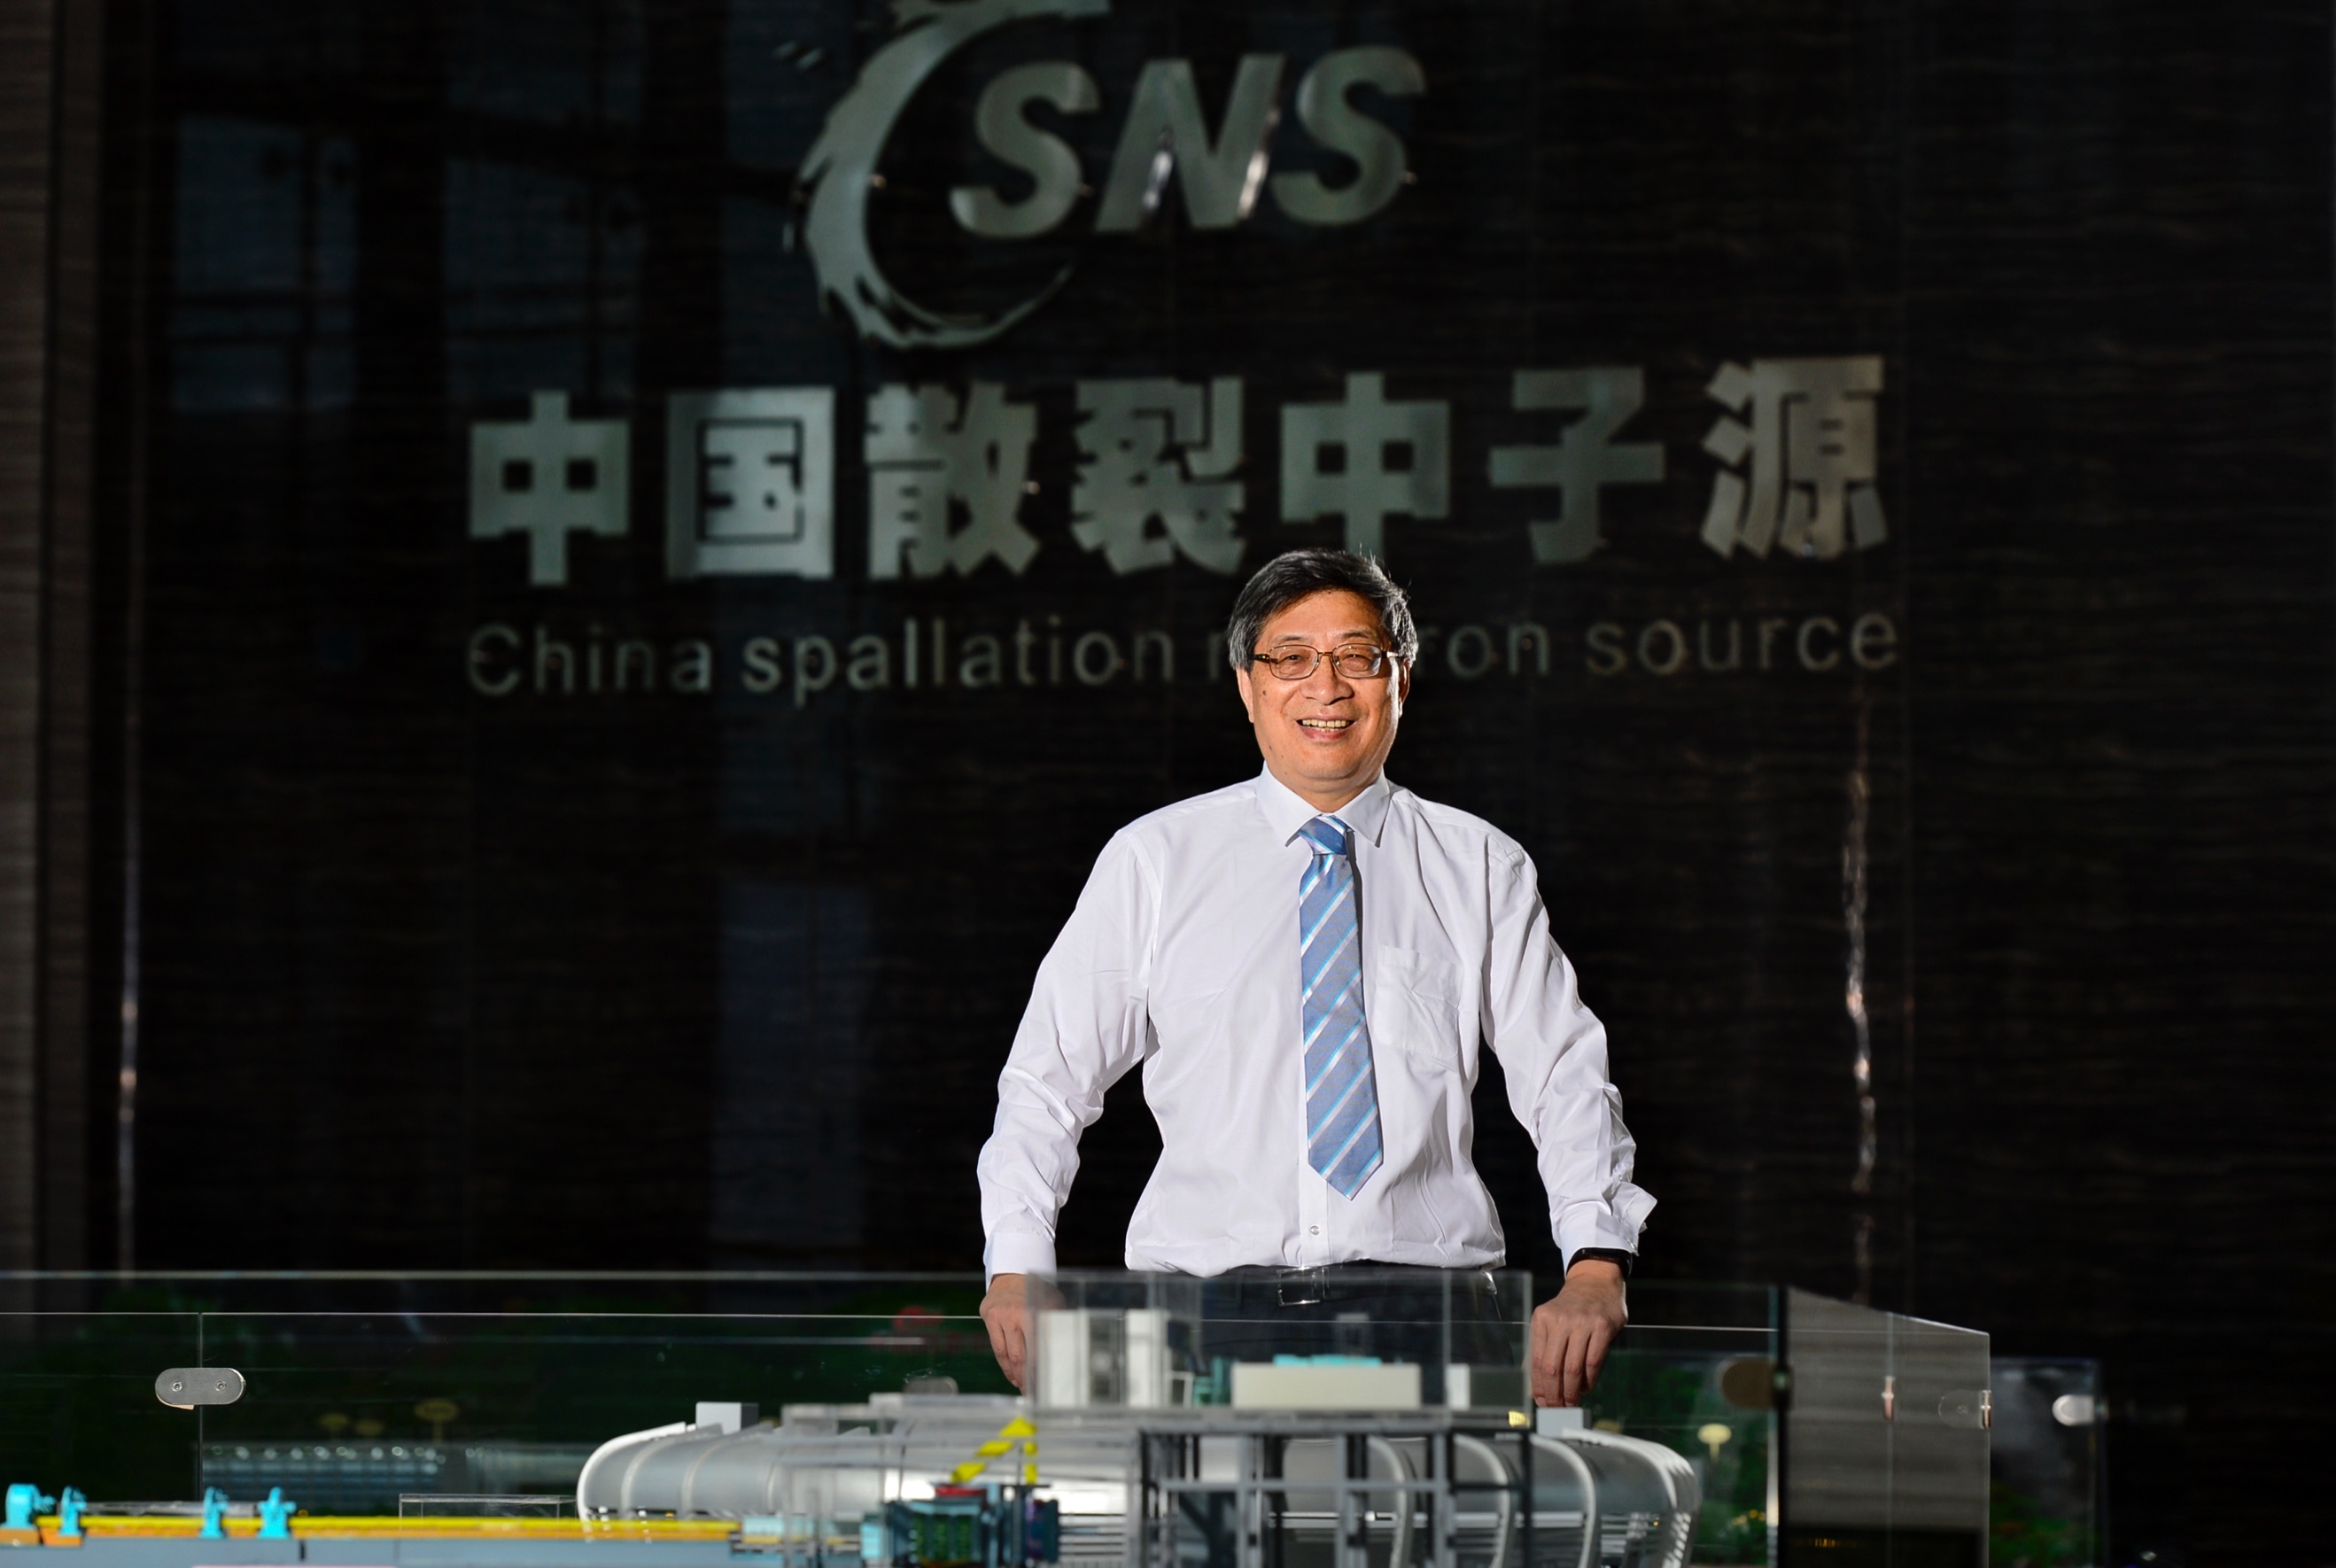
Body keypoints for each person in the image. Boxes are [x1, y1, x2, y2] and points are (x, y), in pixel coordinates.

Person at [976, 549, 1653, 1408]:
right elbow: (1047, 1083)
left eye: (1356, 657)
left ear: (1399, 680)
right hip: (1201, 1320)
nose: (1325, 687)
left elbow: (1565, 1076)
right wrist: (1018, 1266)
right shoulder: (1155, 860)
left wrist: (1596, 1261)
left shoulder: (1480, 865)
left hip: (1431, 1313)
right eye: (1290, 658)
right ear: (1247, 685)